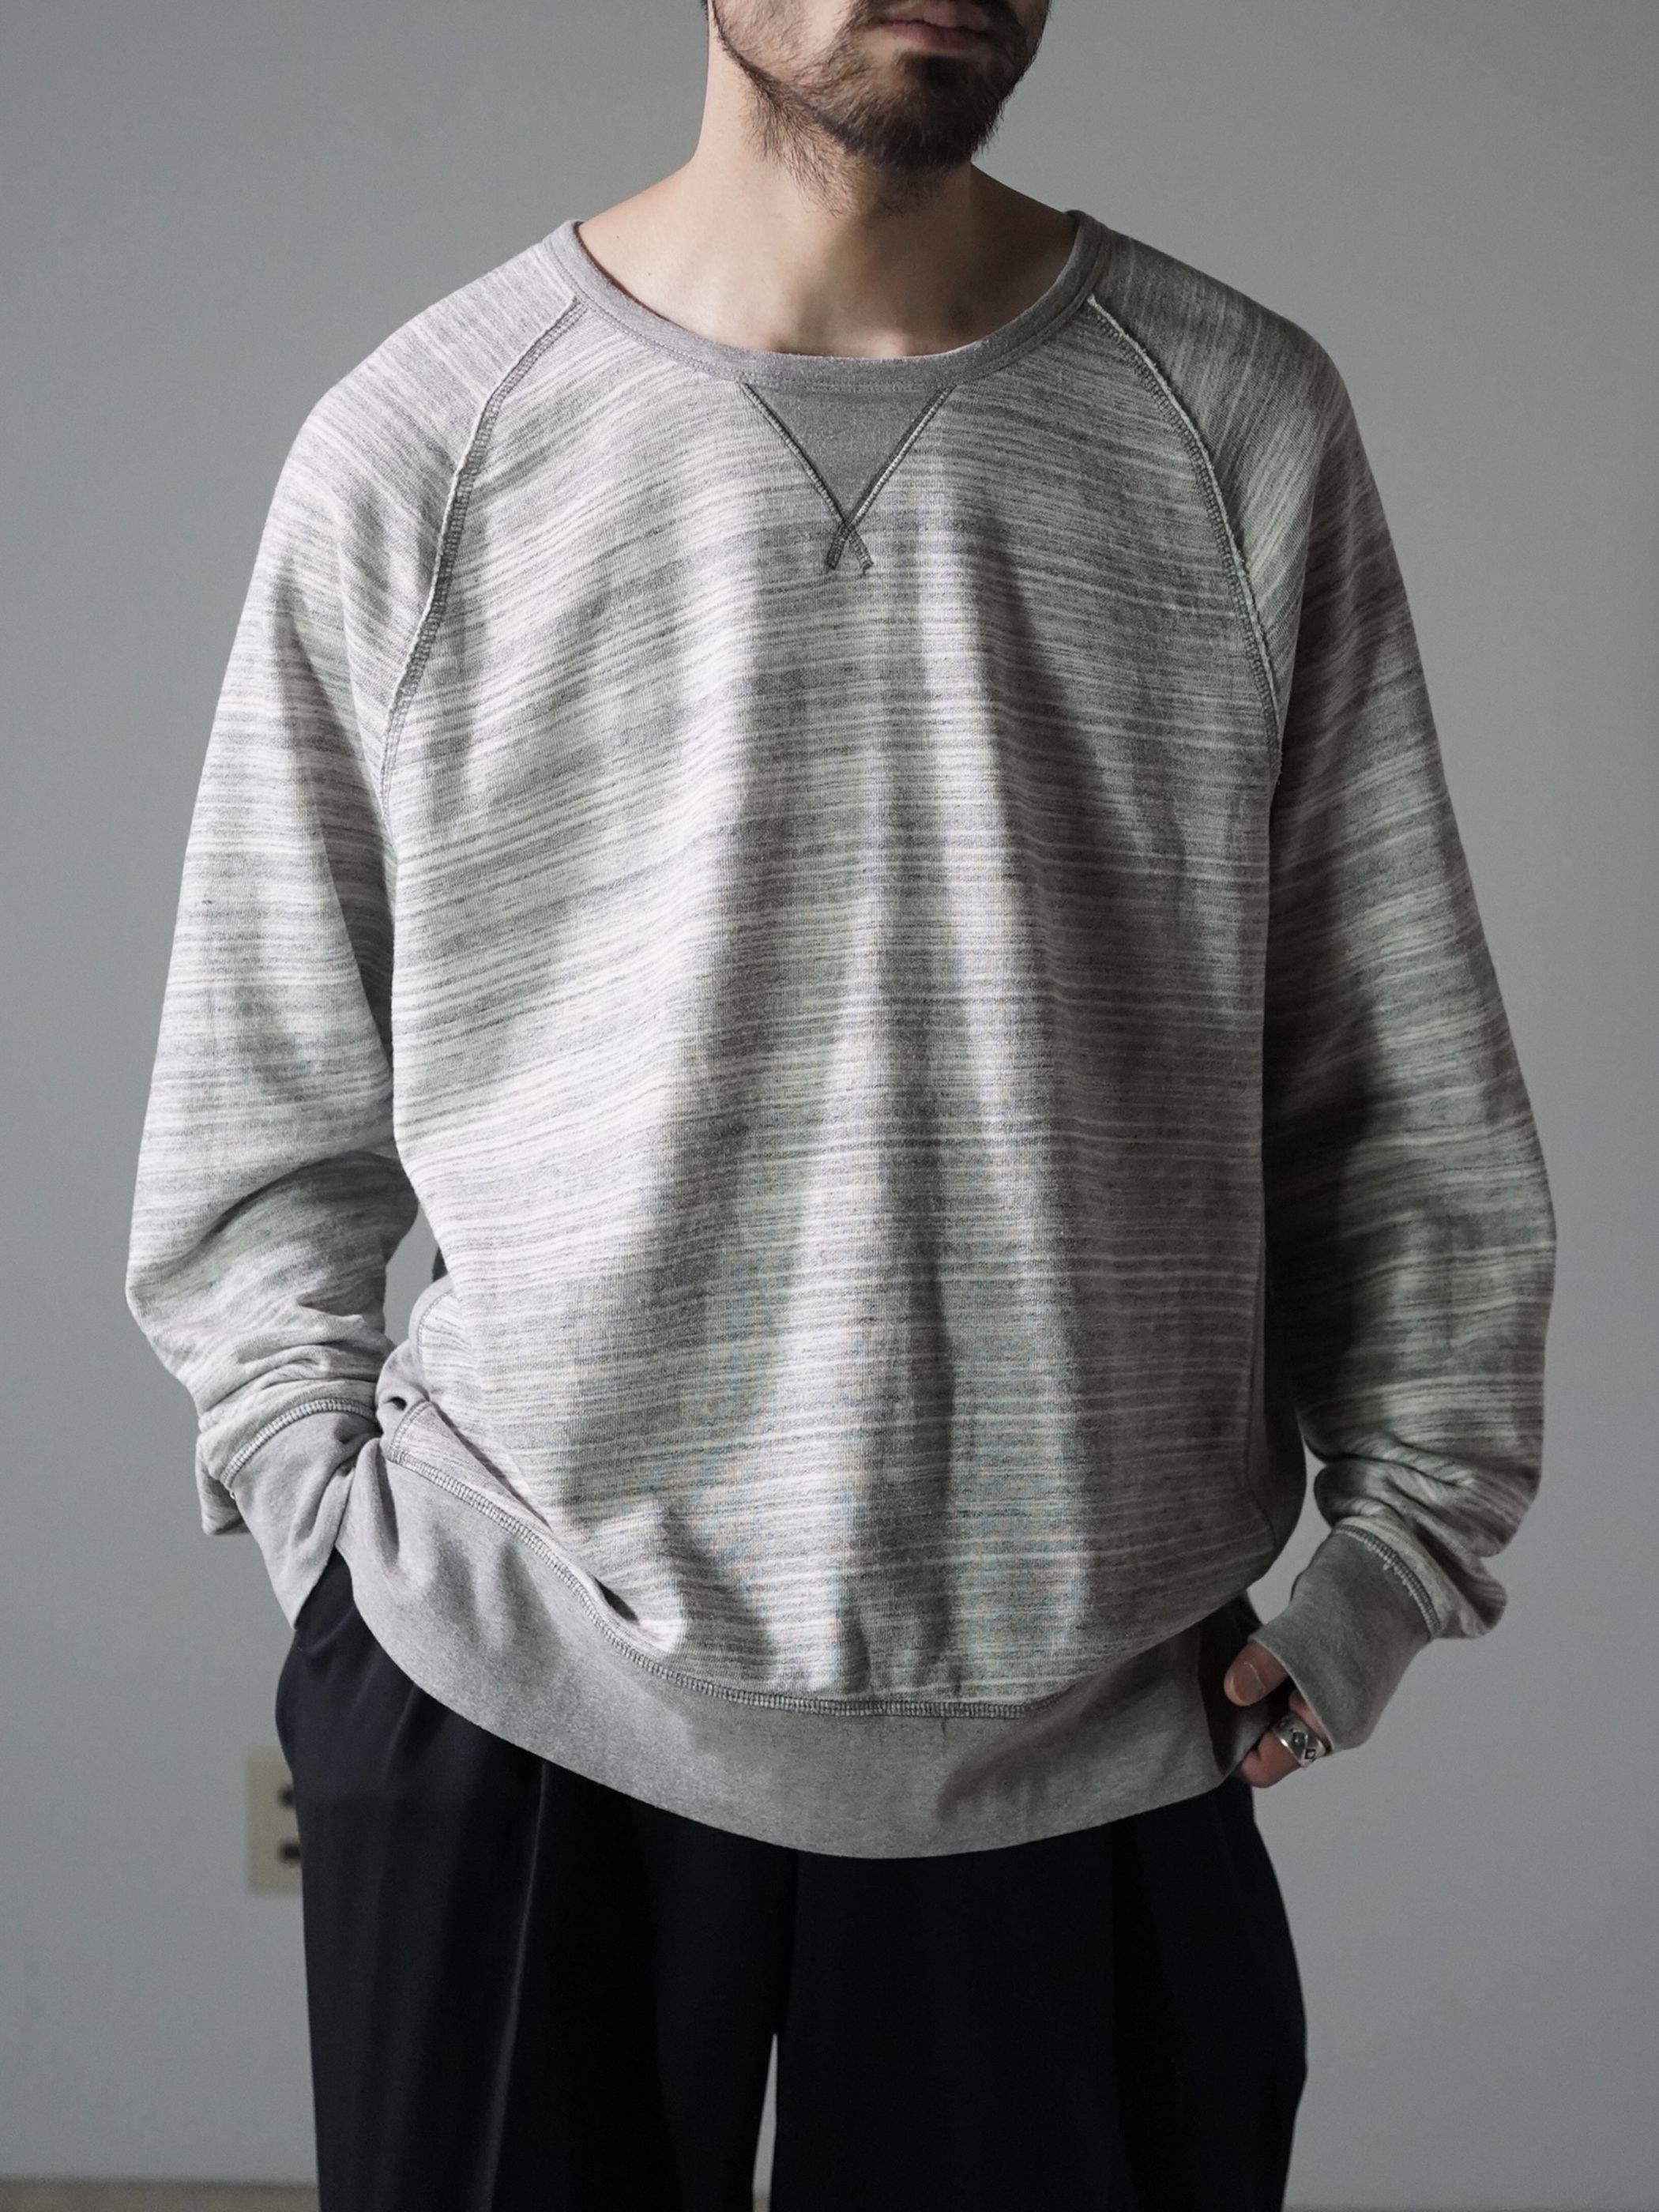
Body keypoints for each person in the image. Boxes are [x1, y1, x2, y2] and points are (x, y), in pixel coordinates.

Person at [126, 2, 1556, 2206]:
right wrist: (337, 1539)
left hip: (1091, 1732)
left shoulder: (1234, 420)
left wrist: (1394, 1557)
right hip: (514, 1685)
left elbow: (1391, 1067)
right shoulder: (425, 440)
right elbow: (259, 1097)